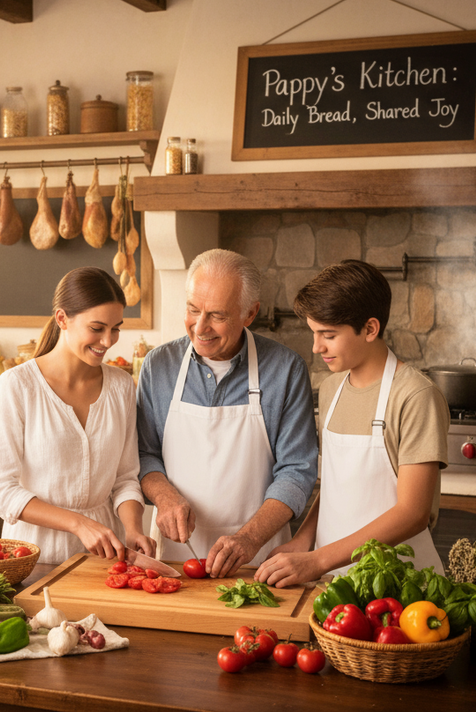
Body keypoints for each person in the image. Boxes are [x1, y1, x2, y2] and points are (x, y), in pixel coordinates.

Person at [254, 259, 449, 589]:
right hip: (333, 582)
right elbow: (334, 486)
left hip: (398, 587)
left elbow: (413, 513)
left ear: (370, 329)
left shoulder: (415, 396)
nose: (317, 348)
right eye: (314, 333)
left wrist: (316, 559)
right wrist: (304, 540)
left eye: (328, 335)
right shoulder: (331, 390)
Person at [137, 249, 318, 578]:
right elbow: (143, 453)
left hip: (258, 561)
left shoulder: (286, 369)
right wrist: (164, 497)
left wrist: (248, 539)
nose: (200, 327)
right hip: (176, 561)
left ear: (250, 313)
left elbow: (297, 471)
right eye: (193, 309)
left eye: (217, 315)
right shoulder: (158, 366)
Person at [0, 267, 155, 565]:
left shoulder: (121, 385)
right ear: (62, 319)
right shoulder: (18, 385)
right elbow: (0, 490)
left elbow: (125, 478)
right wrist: (78, 523)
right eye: (97, 328)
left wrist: (133, 529)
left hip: (103, 557)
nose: (108, 341)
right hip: (31, 556)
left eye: (115, 328)